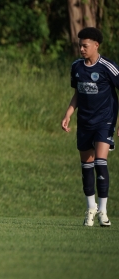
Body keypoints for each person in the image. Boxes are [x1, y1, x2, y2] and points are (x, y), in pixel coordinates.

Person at [61, 27, 119, 227]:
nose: (81, 49)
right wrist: (68, 113)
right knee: (86, 167)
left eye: (85, 46)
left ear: (96, 45)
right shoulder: (77, 67)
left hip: (105, 120)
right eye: (80, 46)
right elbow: (78, 93)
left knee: (100, 162)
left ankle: (103, 211)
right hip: (84, 122)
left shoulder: (108, 66)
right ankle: (91, 208)